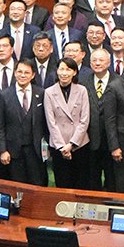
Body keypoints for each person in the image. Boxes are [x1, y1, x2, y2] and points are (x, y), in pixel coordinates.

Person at [0, 59, 47, 186]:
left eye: (27, 73)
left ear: (33, 75)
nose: (23, 75)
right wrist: (2, 150)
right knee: (17, 186)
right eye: (20, 72)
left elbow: (46, 122)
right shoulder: (4, 95)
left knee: (37, 184)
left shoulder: (41, 93)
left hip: (35, 150)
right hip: (13, 150)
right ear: (15, 73)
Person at [44, 58, 91, 188]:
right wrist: (62, 147)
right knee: (62, 183)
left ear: (74, 72)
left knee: (80, 184)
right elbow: (51, 122)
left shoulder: (82, 90)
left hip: (79, 144)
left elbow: (84, 120)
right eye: (61, 69)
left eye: (68, 69)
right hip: (59, 146)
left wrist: (72, 144)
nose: (64, 73)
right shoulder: (49, 92)